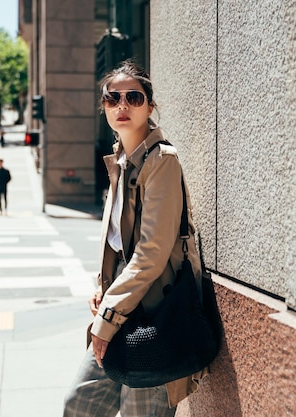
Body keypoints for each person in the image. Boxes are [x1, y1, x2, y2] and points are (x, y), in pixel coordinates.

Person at [63, 60, 204, 416]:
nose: (122, 105)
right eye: (113, 98)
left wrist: (107, 317)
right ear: (104, 107)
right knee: (80, 406)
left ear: (150, 107)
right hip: (121, 307)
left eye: (133, 97)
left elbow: (151, 255)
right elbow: (117, 244)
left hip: (153, 315)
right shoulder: (120, 163)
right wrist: (102, 287)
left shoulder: (162, 162)